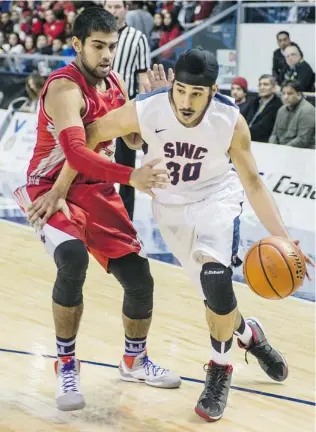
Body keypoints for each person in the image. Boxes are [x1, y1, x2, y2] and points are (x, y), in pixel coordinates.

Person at [37, 48, 314, 422]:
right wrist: (59, 189)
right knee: (215, 302)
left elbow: (252, 183)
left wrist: (282, 237)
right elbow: (86, 137)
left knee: (216, 283)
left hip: (217, 200)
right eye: (180, 91)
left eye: (196, 94)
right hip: (170, 210)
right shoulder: (148, 108)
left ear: (213, 91)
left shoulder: (230, 120)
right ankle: (249, 334)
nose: (185, 101)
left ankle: (219, 370)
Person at [14, 7, 181, 413]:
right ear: (77, 45)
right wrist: (130, 176)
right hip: (50, 189)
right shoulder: (63, 88)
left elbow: (135, 139)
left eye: (112, 46)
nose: (107, 54)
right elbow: (76, 150)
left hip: (97, 189)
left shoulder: (116, 82)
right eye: (98, 46)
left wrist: (156, 105)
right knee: (72, 258)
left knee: (140, 277)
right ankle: (66, 362)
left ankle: (134, 360)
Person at [104, 0, 152, 221]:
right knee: (92, 164)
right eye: (109, 7)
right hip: (96, 109)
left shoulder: (138, 38)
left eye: (117, 7)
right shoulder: (97, 35)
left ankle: (125, 220)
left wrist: (142, 110)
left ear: (126, 9)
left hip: (124, 111)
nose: (113, 11)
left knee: (126, 169)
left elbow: (143, 76)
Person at [269, 80, 315, 149]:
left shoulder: (307, 110)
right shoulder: (281, 110)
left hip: (301, 152)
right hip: (281, 150)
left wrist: (281, 150)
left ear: (299, 94)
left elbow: (302, 140)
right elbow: (274, 134)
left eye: (290, 94)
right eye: (283, 93)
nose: (285, 97)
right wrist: (272, 147)